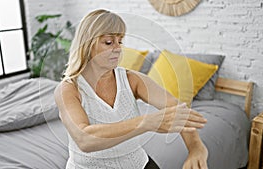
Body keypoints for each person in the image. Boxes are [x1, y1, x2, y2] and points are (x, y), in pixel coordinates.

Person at [54, 9, 208, 169]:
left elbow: (176, 109)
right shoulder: (68, 89)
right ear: (87, 45)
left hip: (138, 164)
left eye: (120, 41)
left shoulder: (132, 79)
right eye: (108, 42)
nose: (118, 48)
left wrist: (196, 148)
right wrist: (145, 122)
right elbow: (84, 139)